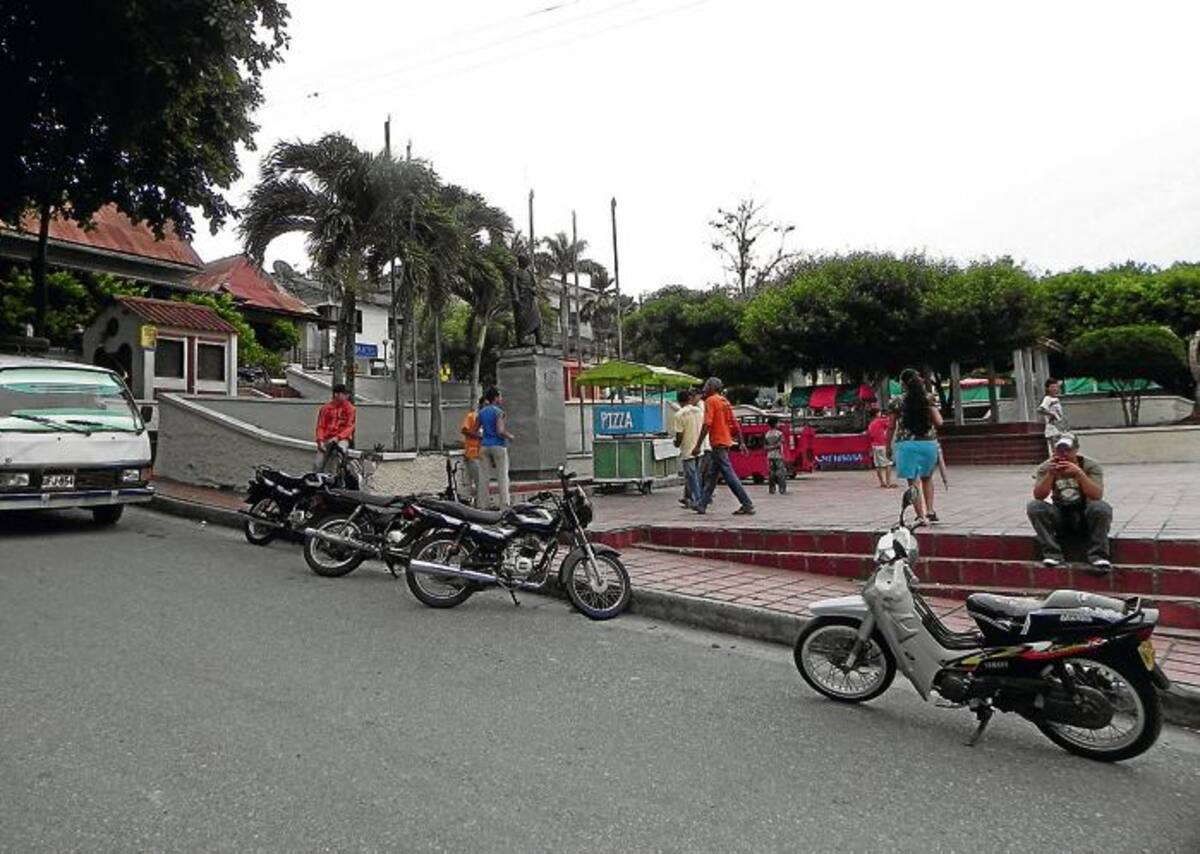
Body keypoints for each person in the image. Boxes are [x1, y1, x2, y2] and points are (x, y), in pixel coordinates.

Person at [1027, 433, 1112, 571]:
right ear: (1054, 451)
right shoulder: (1046, 467)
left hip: (1084, 513)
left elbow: (1097, 495)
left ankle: (1098, 555)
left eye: (1068, 450)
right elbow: (1039, 496)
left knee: (1101, 508)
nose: (1064, 454)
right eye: (1060, 450)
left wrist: (1079, 474)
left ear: (1076, 449)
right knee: (1035, 507)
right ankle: (1052, 554)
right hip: (1061, 513)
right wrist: (1050, 475)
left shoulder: (1090, 466)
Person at [691, 377, 754, 516]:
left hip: (718, 442)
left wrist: (697, 445)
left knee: (729, 474)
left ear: (712, 387)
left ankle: (746, 503)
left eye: (707, 385)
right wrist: (742, 442)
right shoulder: (724, 401)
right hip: (725, 442)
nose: (704, 388)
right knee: (712, 476)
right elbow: (734, 423)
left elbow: (707, 424)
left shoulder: (710, 401)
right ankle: (702, 504)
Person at [891, 369, 943, 524]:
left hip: (906, 445)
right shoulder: (928, 398)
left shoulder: (896, 401)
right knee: (927, 478)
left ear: (902, 383)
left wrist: (888, 446)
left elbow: (891, 426)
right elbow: (939, 422)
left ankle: (920, 516)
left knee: (913, 481)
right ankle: (931, 511)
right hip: (928, 443)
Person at [476, 387, 514, 509]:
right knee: (502, 475)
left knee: (483, 477)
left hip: (484, 447)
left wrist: (484, 436)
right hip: (498, 446)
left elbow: (474, 430)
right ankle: (505, 504)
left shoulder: (481, 412)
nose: (501, 399)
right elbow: (500, 431)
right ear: (496, 398)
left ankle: (482, 505)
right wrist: (510, 436)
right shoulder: (498, 412)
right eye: (500, 396)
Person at [314, 383, 356, 473]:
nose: (347, 396)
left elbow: (350, 426)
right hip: (327, 438)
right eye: (344, 394)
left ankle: (340, 476)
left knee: (340, 452)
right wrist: (320, 441)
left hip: (342, 439)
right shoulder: (325, 409)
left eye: (347, 394)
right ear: (336, 394)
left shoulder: (350, 409)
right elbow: (321, 426)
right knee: (318, 463)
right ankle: (317, 480)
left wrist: (338, 438)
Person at [672, 389, 704, 509]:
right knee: (697, 474)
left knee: (691, 476)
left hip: (687, 448)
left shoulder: (679, 414)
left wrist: (676, 443)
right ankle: (695, 498)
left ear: (679, 401)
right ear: (689, 399)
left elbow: (679, 434)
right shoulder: (699, 411)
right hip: (699, 447)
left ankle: (698, 500)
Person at [459, 396, 485, 502]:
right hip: (473, 455)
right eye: (485, 404)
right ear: (480, 405)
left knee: (483, 484)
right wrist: (478, 436)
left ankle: (481, 505)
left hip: (484, 456)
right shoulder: (472, 416)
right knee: (480, 483)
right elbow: (464, 430)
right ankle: (480, 507)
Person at [1037, 378, 1069, 454]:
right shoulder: (1047, 398)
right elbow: (1040, 409)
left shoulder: (1056, 399)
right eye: (1052, 387)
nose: (1054, 389)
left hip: (1059, 427)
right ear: (1047, 388)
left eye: (1056, 387)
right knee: (1056, 450)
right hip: (1052, 428)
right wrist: (1051, 414)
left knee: (1062, 448)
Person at [866, 405, 895, 488]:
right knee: (888, 464)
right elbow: (890, 424)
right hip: (882, 445)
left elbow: (870, 436)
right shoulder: (880, 421)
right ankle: (888, 483)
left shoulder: (871, 424)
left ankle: (882, 482)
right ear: (876, 413)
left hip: (874, 446)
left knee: (878, 465)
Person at [764, 416, 787, 495]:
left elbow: (765, 446)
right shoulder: (779, 433)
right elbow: (781, 443)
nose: (779, 424)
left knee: (771, 473)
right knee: (780, 472)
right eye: (778, 422)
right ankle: (782, 489)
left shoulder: (766, 434)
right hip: (778, 455)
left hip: (769, 455)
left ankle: (772, 489)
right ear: (775, 424)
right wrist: (774, 446)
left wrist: (770, 448)